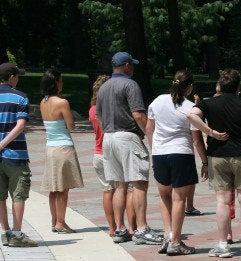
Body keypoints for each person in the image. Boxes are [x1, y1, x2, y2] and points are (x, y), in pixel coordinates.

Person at [188, 68, 241, 258]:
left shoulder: (209, 103)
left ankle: (223, 245)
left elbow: (191, 115)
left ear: (220, 84)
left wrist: (210, 132)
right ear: (238, 86)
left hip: (217, 155)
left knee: (223, 201)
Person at [96, 51, 163, 245]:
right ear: (126, 66)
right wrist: (150, 136)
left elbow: (98, 117)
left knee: (119, 185)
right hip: (127, 137)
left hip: (108, 137)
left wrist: (108, 130)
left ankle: (120, 229)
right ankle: (141, 229)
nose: (133, 68)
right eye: (131, 65)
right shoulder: (130, 84)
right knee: (139, 183)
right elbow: (138, 115)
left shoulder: (104, 87)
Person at [146, 70, 208, 256]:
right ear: (189, 87)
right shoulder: (190, 108)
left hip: (159, 154)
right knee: (179, 198)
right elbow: (196, 140)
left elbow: (149, 129)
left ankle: (168, 234)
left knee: (164, 195)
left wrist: (153, 151)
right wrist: (205, 161)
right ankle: (175, 241)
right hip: (181, 153)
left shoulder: (157, 101)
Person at [0, 62, 37, 247]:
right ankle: (17, 234)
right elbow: (20, 125)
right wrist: (1, 145)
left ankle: (5, 232)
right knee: (18, 194)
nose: (18, 79)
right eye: (17, 76)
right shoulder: (20, 98)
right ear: (11, 77)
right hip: (15, 155)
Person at [39, 69, 84, 234]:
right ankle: (61, 222)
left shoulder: (43, 102)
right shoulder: (62, 102)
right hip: (63, 147)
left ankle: (54, 221)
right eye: (61, 80)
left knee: (53, 188)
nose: (62, 83)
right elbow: (71, 126)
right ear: (55, 83)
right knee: (63, 189)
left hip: (50, 147)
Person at [88, 74, 117, 237]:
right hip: (110, 153)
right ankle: (122, 225)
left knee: (107, 191)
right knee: (120, 190)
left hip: (97, 153)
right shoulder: (109, 109)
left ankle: (111, 227)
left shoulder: (92, 110)